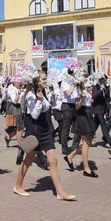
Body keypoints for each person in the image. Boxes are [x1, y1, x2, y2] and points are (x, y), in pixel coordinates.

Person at [13, 71, 76, 200]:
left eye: (45, 79)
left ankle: (60, 192)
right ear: (36, 81)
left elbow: (47, 108)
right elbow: (34, 115)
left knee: (53, 160)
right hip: (34, 131)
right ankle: (18, 186)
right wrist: (39, 101)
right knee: (28, 160)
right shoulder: (30, 95)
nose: (45, 81)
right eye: (43, 79)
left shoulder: (42, 92)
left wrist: (43, 100)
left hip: (45, 130)